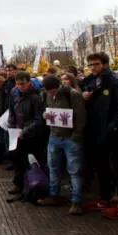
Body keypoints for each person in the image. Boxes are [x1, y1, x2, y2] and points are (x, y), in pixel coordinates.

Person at [81, 52, 118, 218]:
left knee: (117, 169)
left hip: (112, 134)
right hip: (95, 131)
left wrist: (112, 128)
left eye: (96, 64)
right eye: (90, 65)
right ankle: (104, 198)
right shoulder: (89, 82)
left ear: (104, 64)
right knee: (101, 167)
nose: (92, 68)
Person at [38, 75, 86, 215]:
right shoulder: (46, 95)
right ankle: (54, 195)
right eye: (49, 92)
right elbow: (46, 109)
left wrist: (76, 135)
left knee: (74, 170)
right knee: (53, 167)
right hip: (54, 135)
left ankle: (76, 201)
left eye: (53, 91)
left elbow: (81, 116)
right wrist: (45, 115)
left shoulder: (73, 95)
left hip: (70, 138)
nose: (52, 94)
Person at [6, 71, 46, 199]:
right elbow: (11, 110)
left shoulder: (36, 97)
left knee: (38, 160)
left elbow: (39, 119)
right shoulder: (14, 93)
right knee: (18, 159)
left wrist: (26, 131)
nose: (20, 86)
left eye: (23, 84)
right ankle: (18, 184)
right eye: (18, 84)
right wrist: (12, 126)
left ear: (29, 82)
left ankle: (39, 185)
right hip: (18, 132)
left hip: (33, 134)